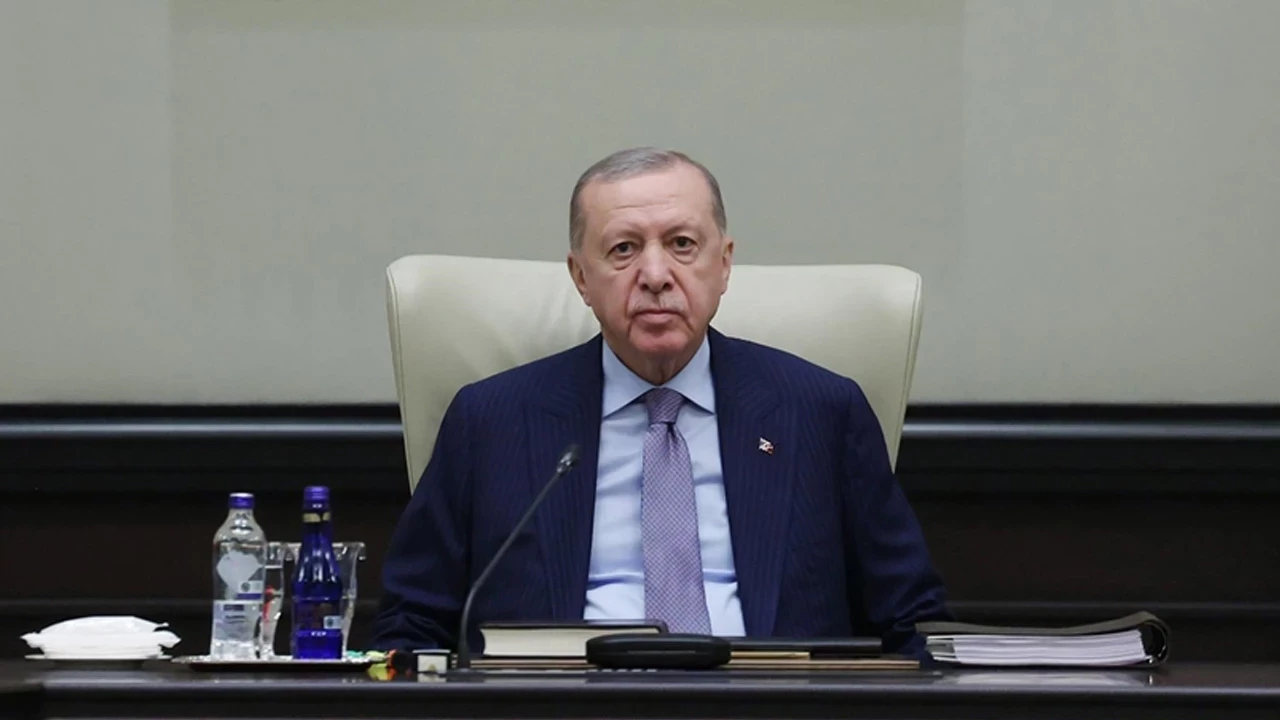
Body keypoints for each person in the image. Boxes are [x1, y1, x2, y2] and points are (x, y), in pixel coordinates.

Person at [371, 147, 951, 656]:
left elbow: (912, 624)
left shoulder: (822, 412)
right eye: (624, 249)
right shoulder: (491, 421)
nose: (655, 274)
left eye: (682, 244)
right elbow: (412, 623)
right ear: (580, 277)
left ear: (724, 264)